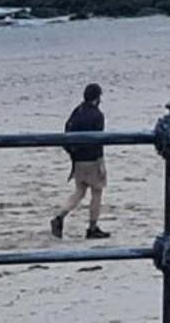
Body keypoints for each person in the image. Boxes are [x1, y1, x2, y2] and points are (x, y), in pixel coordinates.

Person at [51, 83, 111, 239]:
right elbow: (98, 140)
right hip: (92, 159)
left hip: (78, 160)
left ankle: (60, 216)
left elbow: (67, 134)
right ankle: (92, 227)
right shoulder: (97, 115)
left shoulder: (77, 111)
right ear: (97, 98)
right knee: (97, 192)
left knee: (79, 192)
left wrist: (73, 155)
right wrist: (101, 162)